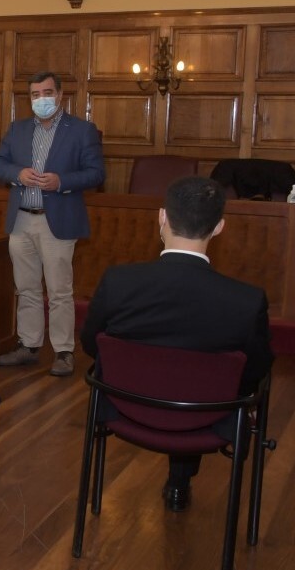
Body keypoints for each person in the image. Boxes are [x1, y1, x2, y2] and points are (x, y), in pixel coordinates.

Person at [80, 176, 272, 512]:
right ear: (219, 228)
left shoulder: (118, 283)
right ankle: (180, 481)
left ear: (162, 217)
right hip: (206, 419)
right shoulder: (245, 301)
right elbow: (254, 371)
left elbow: (91, 345)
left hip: (126, 409)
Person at [0, 71, 105, 377]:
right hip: (21, 219)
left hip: (57, 222)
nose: (41, 99)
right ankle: (29, 346)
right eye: (35, 94)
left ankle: (63, 352)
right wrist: (17, 174)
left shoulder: (81, 130)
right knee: (26, 287)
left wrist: (61, 181)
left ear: (60, 95)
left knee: (59, 291)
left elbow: (96, 174)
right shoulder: (18, 129)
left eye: (47, 92)